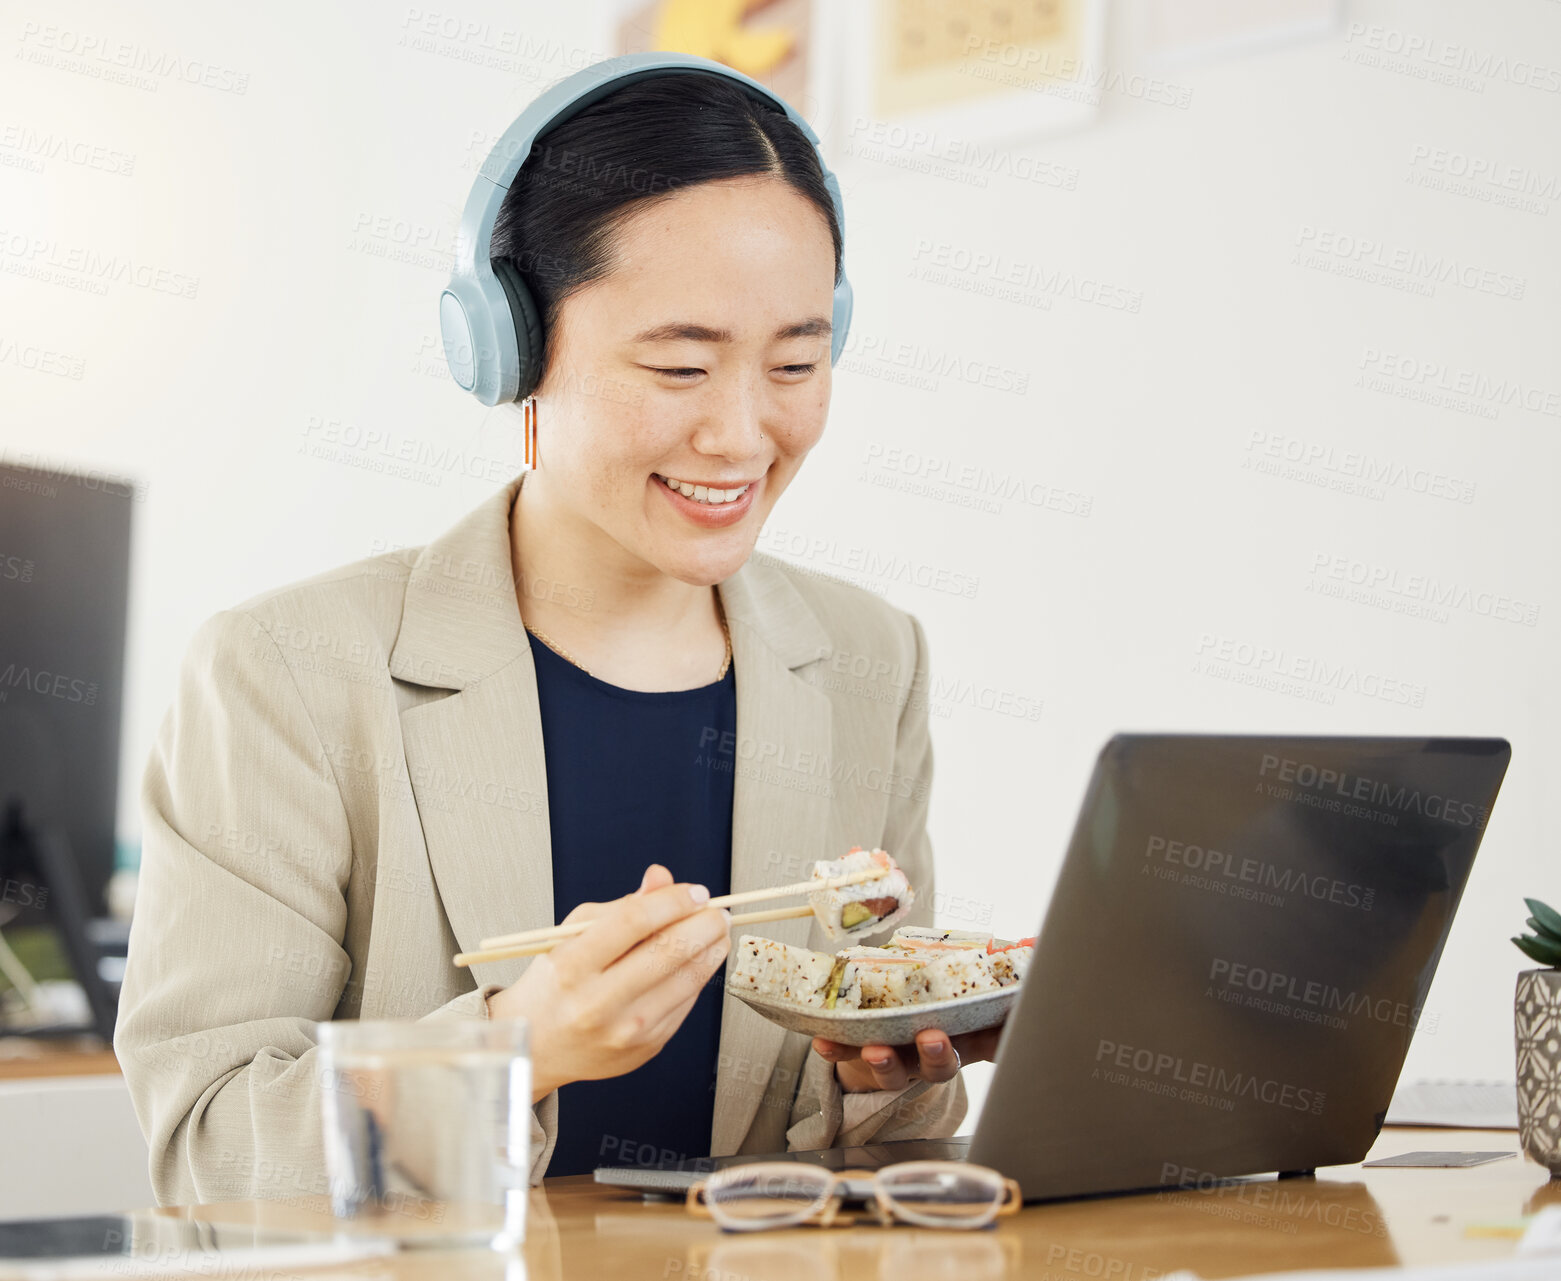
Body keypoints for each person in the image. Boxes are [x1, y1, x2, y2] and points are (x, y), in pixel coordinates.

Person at [114, 63, 996, 1205]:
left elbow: (880, 1155)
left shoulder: (869, 659)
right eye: (679, 365)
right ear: (512, 348)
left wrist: (889, 1077)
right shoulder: (286, 674)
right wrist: (513, 1049)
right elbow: (209, 1151)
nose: (740, 434)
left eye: (794, 363)